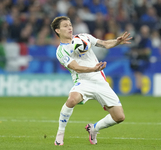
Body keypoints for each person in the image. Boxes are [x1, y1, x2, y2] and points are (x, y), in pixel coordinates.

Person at [50, 16, 132, 146]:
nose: (69, 27)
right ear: (58, 30)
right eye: (65, 26)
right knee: (72, 99)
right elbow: (75, 67)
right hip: (83, 81)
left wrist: (117, 41)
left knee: (119, 117)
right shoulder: (61, 51)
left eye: (70, 24)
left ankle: (93, 129)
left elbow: (104, 44)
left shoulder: (84, 37)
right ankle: (60, 134)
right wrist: (92, 69)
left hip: (100, 81)